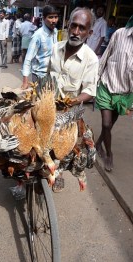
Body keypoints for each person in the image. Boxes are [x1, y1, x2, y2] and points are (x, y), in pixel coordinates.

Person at [49, 7, 99, 192]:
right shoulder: (56, 48)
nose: (76, 32)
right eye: (74, 26)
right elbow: (47, 76)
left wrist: (73, 101)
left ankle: (59, 172)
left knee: (66, 147)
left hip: (69, 110)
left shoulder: (91, 59)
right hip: (48, 104)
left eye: (82, 28)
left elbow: (90, 91)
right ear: (68, 26)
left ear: (89, 32)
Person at [95, 17, 133, 172]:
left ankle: (98, 144)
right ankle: (109, 154)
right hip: (107, 83)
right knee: (106, 124)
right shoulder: (120, 33)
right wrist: (96, 78)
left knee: (110, 124)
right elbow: (106, 54)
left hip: (124, 93)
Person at [21, 5, 59, 89]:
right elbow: (28, 58)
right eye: (51, 17)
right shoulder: (38, 35)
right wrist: (25, 82)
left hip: (52, 75)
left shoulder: (55, 32)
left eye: (56, 17)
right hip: (39, 76)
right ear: (44, 18)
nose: (54, 20)